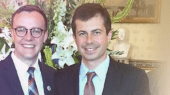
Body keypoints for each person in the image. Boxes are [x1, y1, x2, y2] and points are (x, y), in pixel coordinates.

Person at [55, 3, 150, 95]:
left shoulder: (134, 79)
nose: (89, 40)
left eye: (96, 32)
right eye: (82, 33)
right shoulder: (60, 79)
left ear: (109, 35)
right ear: (74, 38)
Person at [0, 5, 56, 95]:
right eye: (21, 30)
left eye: (36, 31)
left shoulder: (55, 77)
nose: (29, 37)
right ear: (12, 34)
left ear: (45, 36)